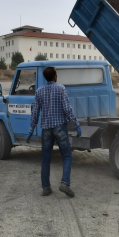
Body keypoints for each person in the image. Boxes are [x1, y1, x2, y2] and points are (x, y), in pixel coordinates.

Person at [27, 66, 82, 197]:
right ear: (55, 76)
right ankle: (65, 183)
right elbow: (67, 109)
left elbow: (35, 112)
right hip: (60, 128)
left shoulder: (39, 92)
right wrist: (76, 124)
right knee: (67, 156)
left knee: (45, 159)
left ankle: (46, 188)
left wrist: (31, 130)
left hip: (46, 129)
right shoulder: (61, 89)